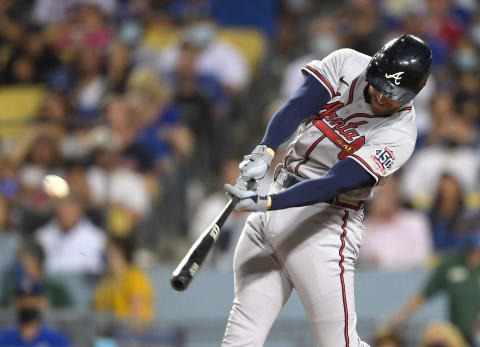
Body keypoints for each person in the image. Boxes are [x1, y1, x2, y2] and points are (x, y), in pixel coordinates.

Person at [221, 34, 432, 346]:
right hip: (275, 201)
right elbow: (297, 105)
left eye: (395, 94)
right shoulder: (347, 62)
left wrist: (267, 202)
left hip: (325, 224)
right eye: (381, 85)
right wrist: (264, 152)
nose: (385, 97)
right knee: (240, 337)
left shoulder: (400, 135)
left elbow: (336, 181)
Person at [390, 231, 480, 343]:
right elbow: (424, 293)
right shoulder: (451, 263)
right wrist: (400, 318)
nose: (475, 255)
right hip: (459, 334)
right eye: (473, 251)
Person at [94, 237, 154, 328]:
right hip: (110, 335)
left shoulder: (135, 277)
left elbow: (137, 317)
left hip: (129, 336)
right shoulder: (105, 283)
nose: (107, 258)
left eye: (111, 253)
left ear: (121, 254)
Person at [0, 274, 71, 347]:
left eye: (32, 299)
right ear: (15, 302)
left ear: (44, 302)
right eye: (22, 298)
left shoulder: (57, 341)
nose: (27, 303)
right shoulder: (3, 339)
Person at [1, 240, 72, 308]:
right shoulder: (11, 288)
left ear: (37, 261)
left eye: (25, 262)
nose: (19, 267)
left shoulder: (56, 289)